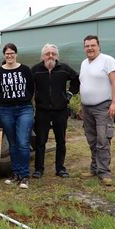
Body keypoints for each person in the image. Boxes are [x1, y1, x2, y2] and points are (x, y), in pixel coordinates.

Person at [31, 43, 80, 179]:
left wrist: (69, 95)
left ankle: (60, 169)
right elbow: (28, 85)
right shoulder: (35, 70)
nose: (50, 56)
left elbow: (76, 79)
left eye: (53, 53)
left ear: (57, 55)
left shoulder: (64, 69)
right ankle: (38, 169)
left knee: (61, 141)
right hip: (42, 111)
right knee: (40, 142)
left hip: (60, 111)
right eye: (47, 54)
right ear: (43, 56)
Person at [79, 35, 115, 186]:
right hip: (87, 108)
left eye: (92, 45)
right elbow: (84, 84)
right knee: (91, 139)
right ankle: (94, 168)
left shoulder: (108, 60)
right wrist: (81, 105)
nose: (90, 48)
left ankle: (104, 172)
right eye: (87, 46)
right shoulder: (84, 63)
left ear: (99, 46)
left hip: (103, 106)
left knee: (103, 139)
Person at [0, 43, 34, 189]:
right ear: (4, 55)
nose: (9, 56)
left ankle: (24, 175)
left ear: (16, 54)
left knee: (23, 142)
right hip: (6, 110)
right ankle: (15, 173)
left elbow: (31, 88)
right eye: (7, 54)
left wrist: (23, 99)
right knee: (13, 143)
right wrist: (5, 103)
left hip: (24, 109)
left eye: (12, 53)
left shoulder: (25, 70)